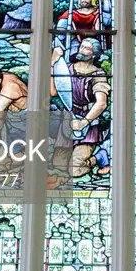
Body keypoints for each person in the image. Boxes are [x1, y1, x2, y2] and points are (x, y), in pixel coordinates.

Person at [51, 38, 111, 179]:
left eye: (87, 48)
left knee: (74, 170)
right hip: (69, 120)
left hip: (88, 123)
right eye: (81, 46)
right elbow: (54, 92)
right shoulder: (68, 68)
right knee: (58, 165)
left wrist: (84, 122)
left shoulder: (98, 75)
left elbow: (101, 103)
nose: (82, 50)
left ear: (94, 54)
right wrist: (52, 63)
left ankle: (99, 157)